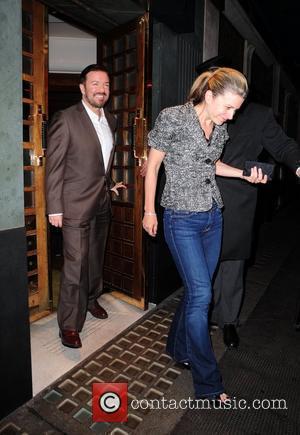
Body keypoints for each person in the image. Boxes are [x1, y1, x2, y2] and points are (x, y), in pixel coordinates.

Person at [143, 67, 267, 402]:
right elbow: (153, 166)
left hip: (213, 216)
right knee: (202, 296)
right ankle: (209, 383)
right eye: (227, 107)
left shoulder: (220, 128)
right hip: (181, 219)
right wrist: (149, 210)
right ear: (209, 96)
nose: (231, 116)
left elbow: (210, 164)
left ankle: (177, 346)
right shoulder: (174, 118)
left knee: (196, 292)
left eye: (236, 110)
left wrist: (244, 174)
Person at [46, 64, 125, 349]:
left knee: (94, 258)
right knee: (75, 266)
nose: (101, 89)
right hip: (74, 206)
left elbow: (101, 161)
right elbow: (54, 167)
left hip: (102, 202)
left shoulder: (111, 121)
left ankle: (92, 300)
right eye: (94, 83)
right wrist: (54, 208)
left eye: (105, 84)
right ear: (82, 88)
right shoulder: (65, 119)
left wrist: (111, 183)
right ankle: (68, 324)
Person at [212, 101, 300, 348]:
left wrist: (298, 166)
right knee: (203, 264)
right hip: (199, 199)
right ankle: (202, 316)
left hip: (237, 200)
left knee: (232, 263)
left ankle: (228, 320)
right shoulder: (197, 109)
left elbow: (282, 145)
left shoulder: (258, 115)